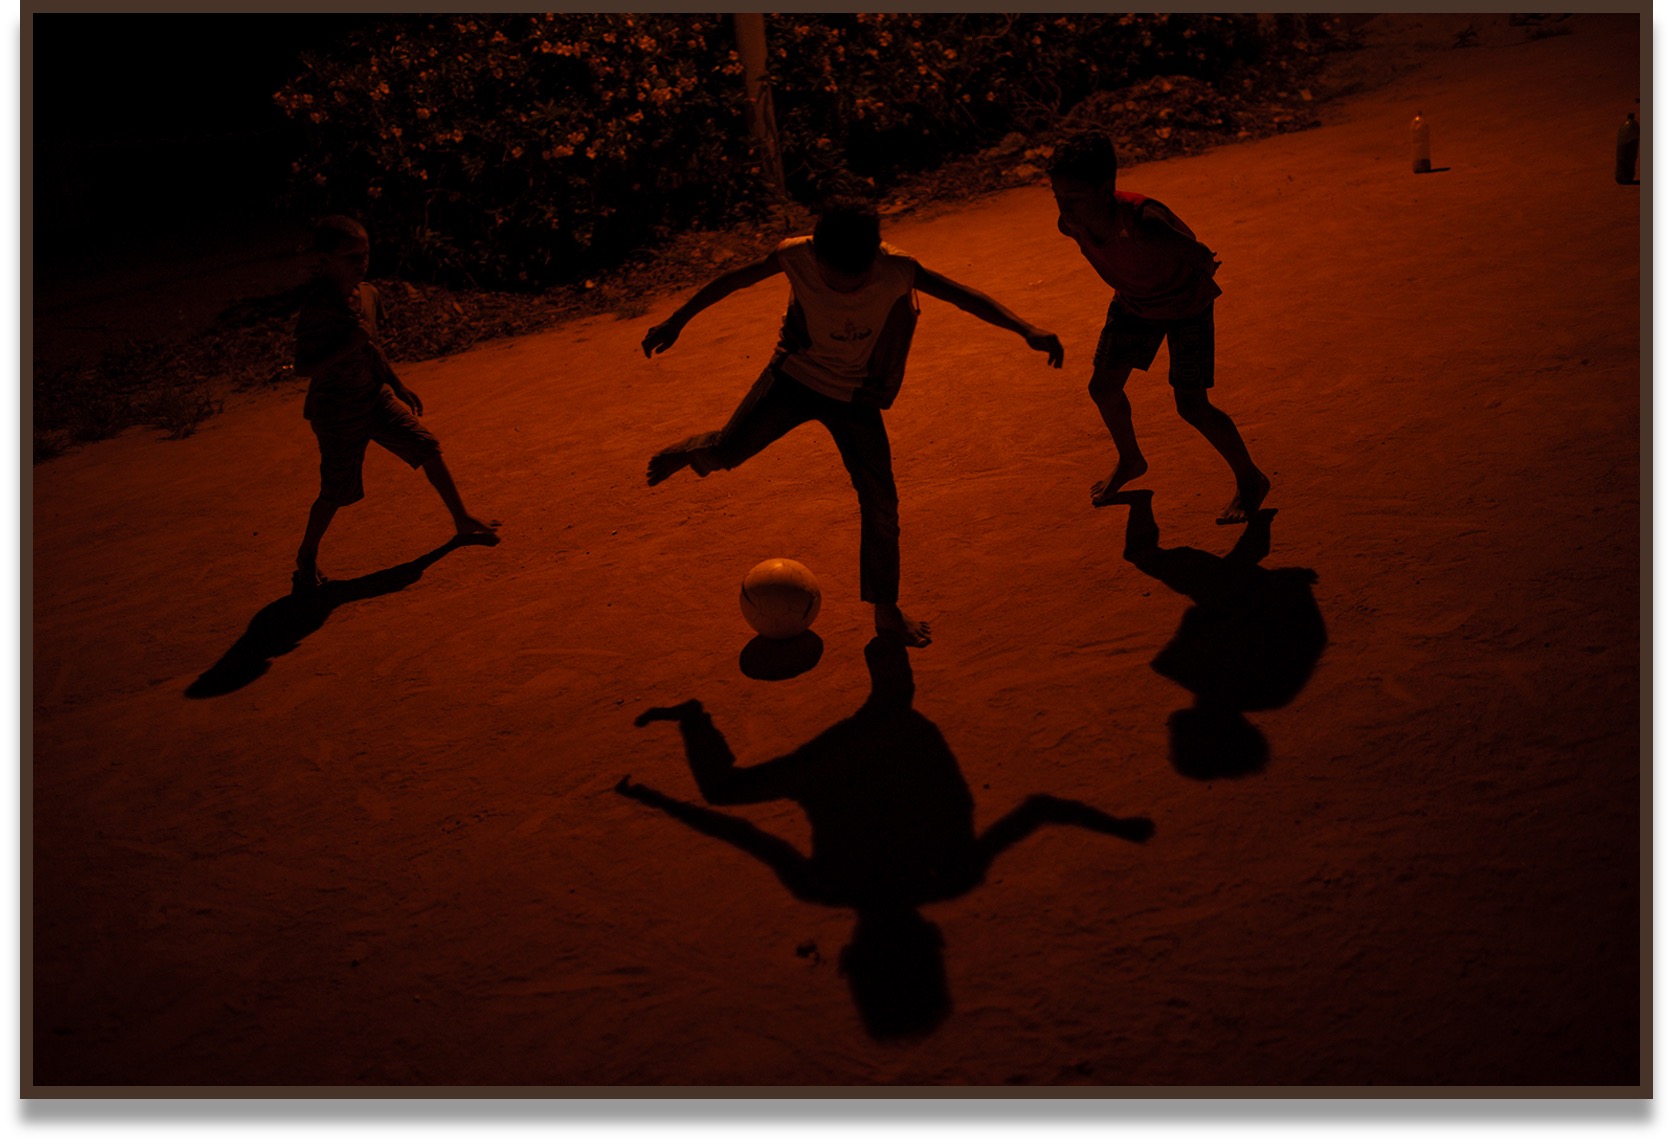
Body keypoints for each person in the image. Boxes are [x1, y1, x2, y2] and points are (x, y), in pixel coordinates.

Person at [641, 199, 1064, 647]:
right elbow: (733, 280)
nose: (845, 287)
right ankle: (696, 450)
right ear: (817, 254)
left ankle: (886, 610)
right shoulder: (795, 255)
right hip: (793, 376)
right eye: (834, 277)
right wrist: (676, 320)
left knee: (881, 504)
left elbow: (963, 296)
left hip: (854, 395)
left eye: (856, 280)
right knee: (727, 452)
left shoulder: (896, 269)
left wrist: (1026, 329)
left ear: (873, 256)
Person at [1047, 131, 1269, 523]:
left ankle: (1251, 478)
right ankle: (1131, 459)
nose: (1065, 207)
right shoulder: (1071, 224)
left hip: (1186, 306)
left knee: (1192, 405)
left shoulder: (1144, 221)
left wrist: (1199, 275)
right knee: (1103, 388)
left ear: (1105, 189)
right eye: (1058, 196)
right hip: (1134, 304)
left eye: (1075, 196)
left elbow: (1198, 252)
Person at [291, 216, 498, 594]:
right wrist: (348, 346)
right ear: (326, 259)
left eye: (365, 254)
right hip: (336, 410)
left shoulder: (368, 295)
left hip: (374, 398)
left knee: (426, 447)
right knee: (336, 492)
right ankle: (306, 556)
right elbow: (303, 367)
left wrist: (396, 383)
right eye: (351, 257)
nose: (362, 263)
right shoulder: (318, 307)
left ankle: (462, 519)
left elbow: (372, 348)